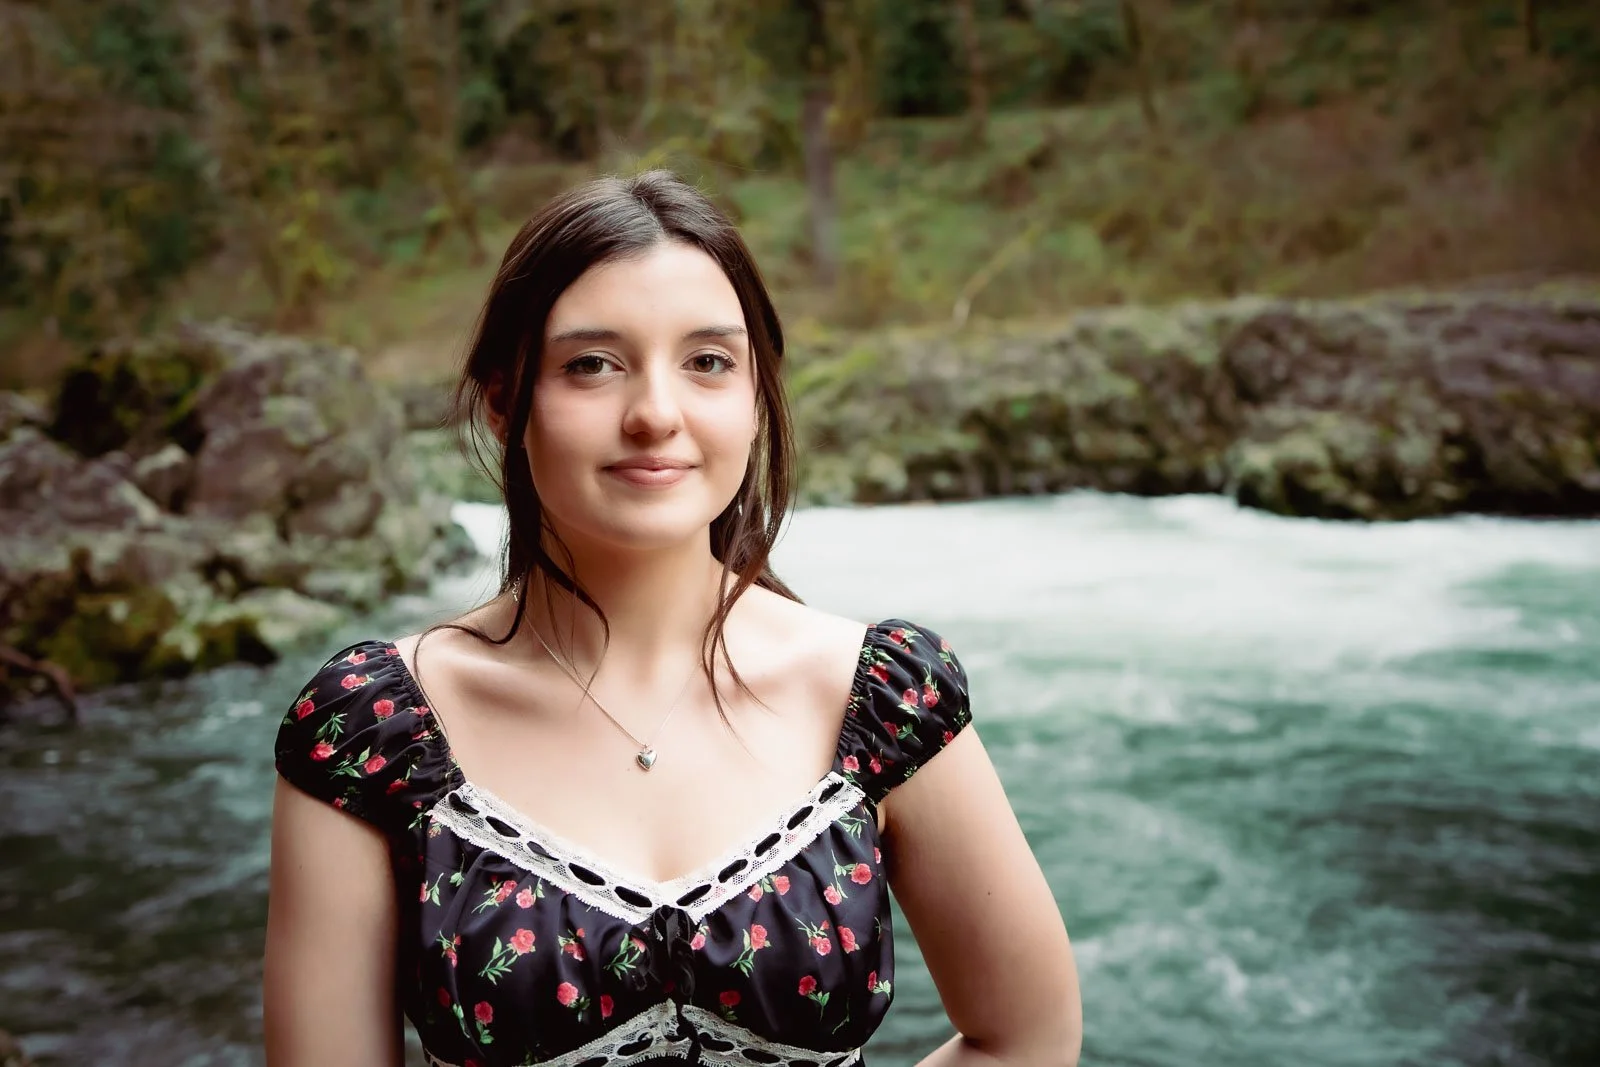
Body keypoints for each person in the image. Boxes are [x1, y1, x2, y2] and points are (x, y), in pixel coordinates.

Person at [263, 170, 1081, 1067]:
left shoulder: (880, 698)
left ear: (757, 396)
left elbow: (1025, 1037)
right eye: (591, 364)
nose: (656, 414)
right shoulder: (373, 732)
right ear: (503, 399)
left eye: (708, 362)